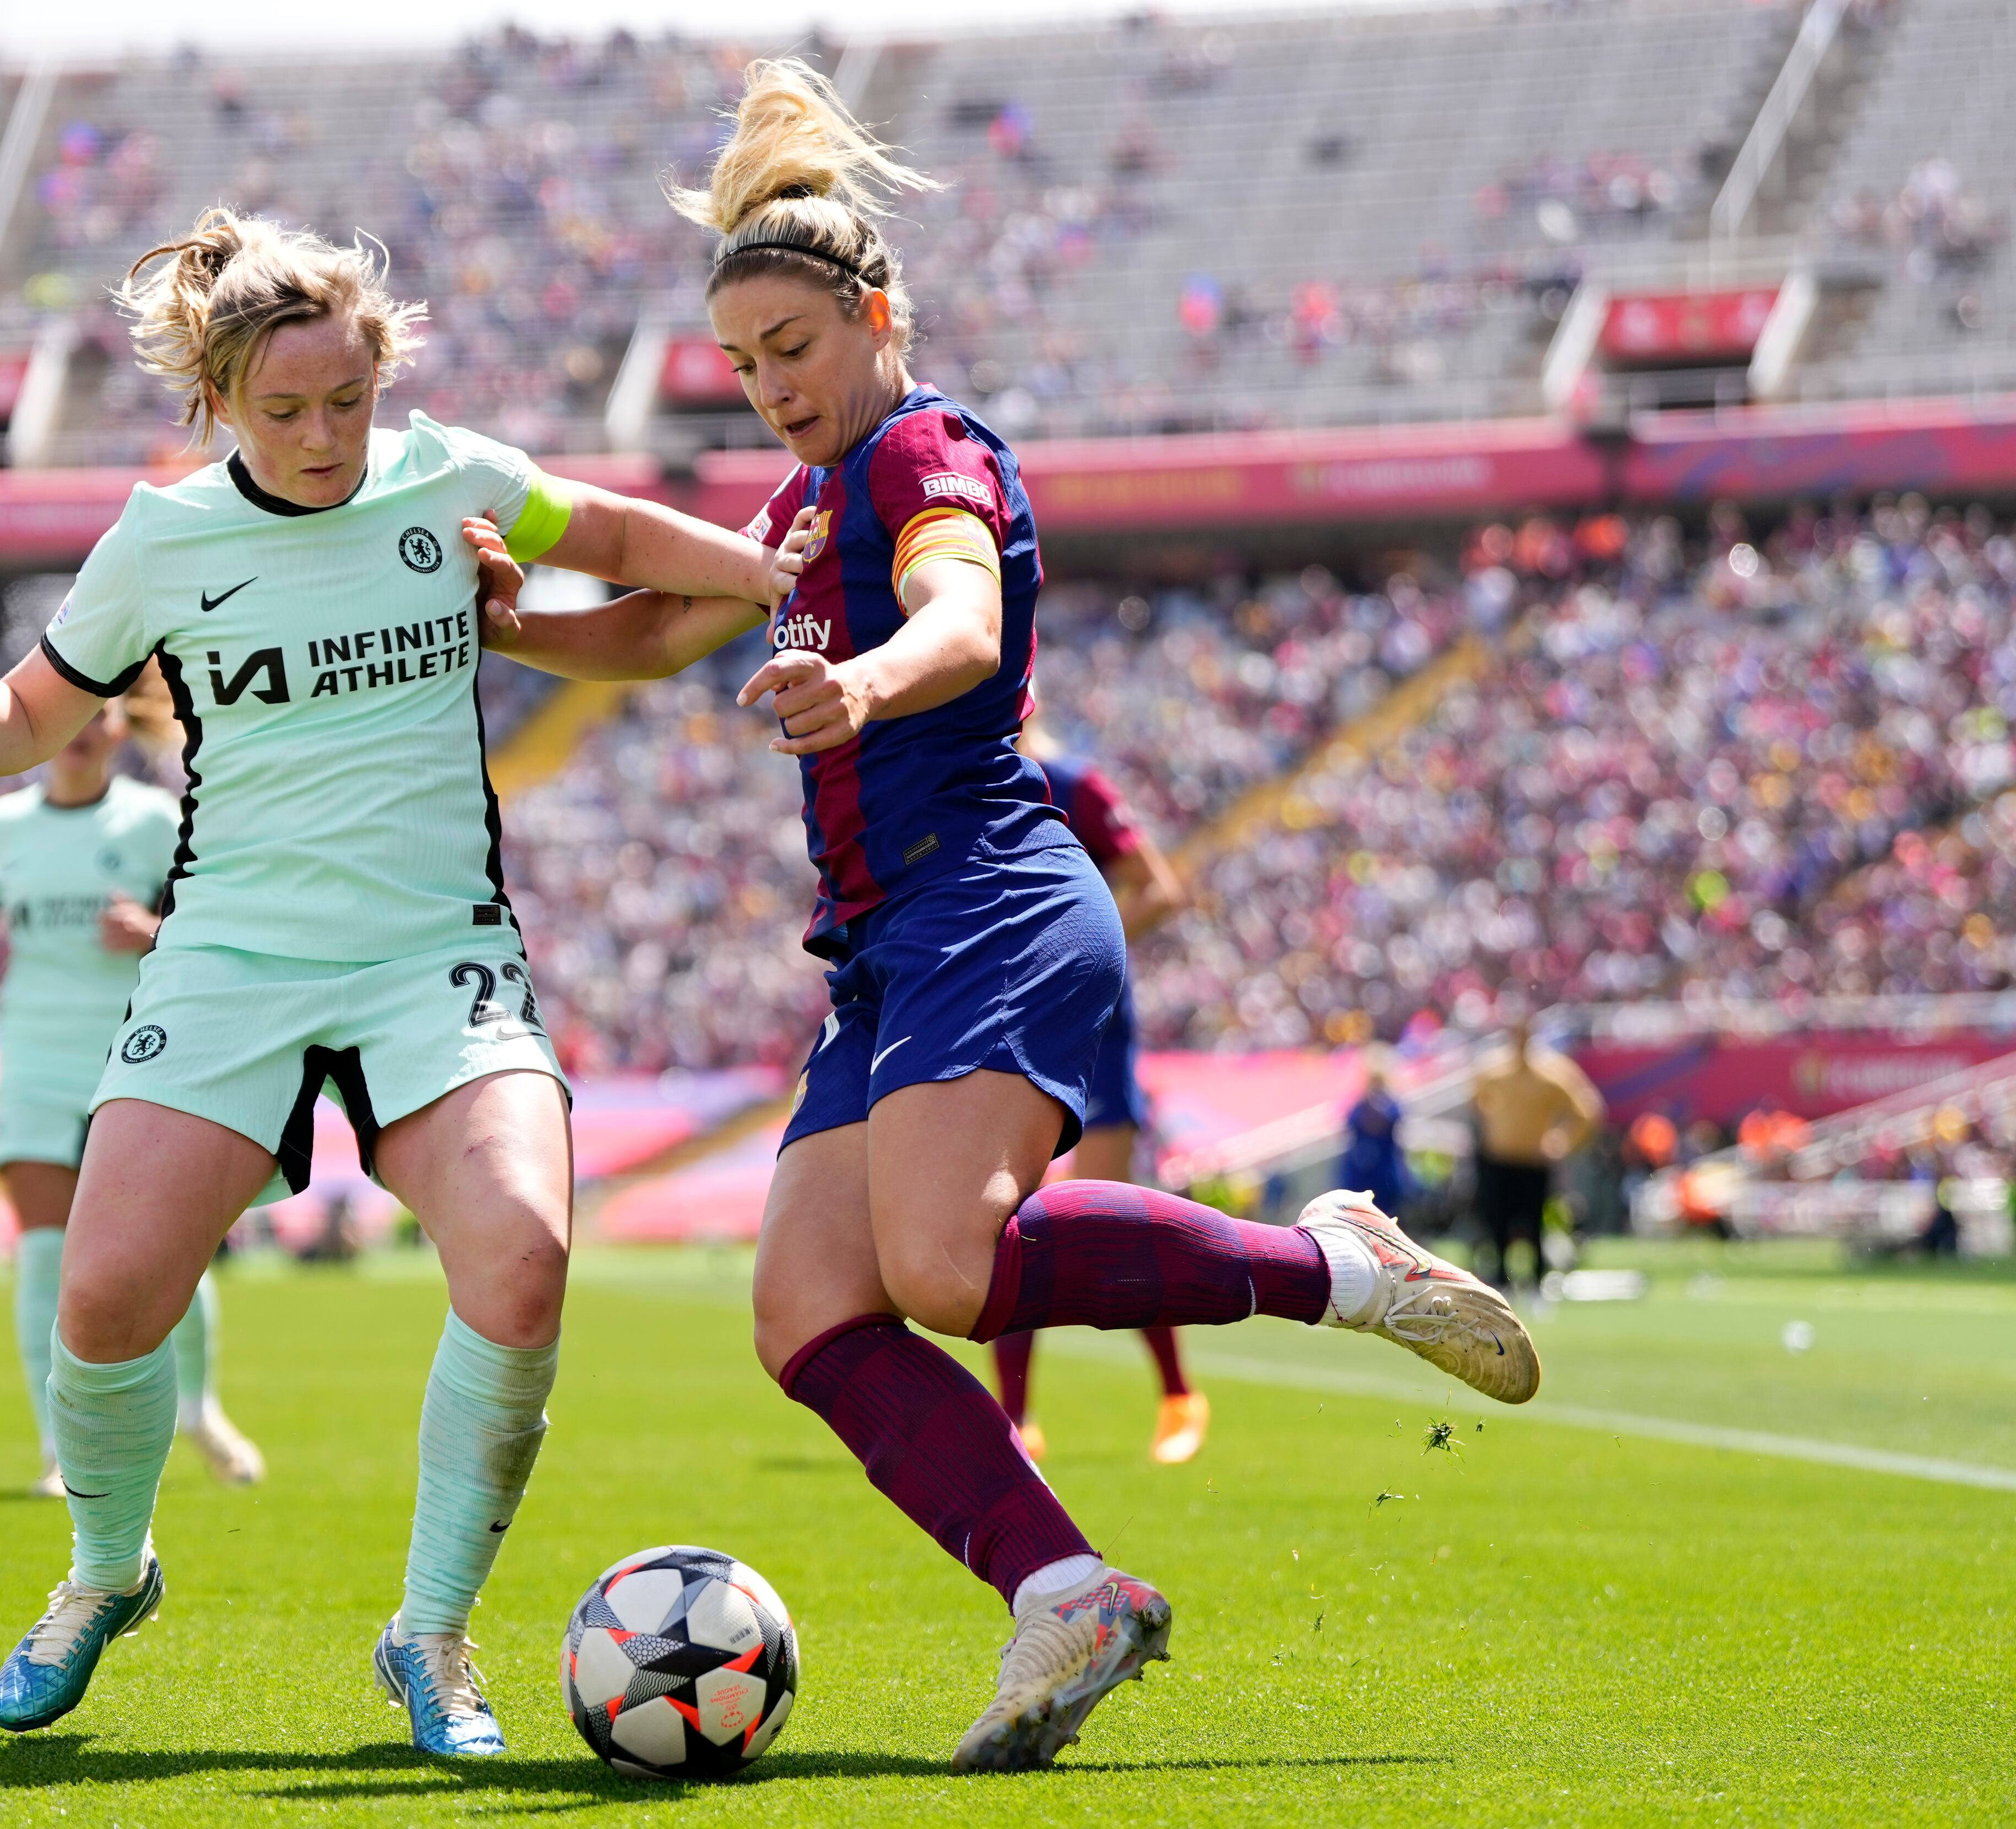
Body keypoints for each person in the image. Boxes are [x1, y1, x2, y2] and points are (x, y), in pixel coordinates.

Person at [466, 57, 1540, 1773]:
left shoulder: (924, 448)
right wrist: (508, 627)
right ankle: (1064, 1592)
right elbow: (658, 631)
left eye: (791, 352)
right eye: (741, 368)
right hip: (881, 949)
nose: (766, 391)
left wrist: (867, 687)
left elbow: (957, 617)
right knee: (808, 1314)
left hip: (990, 897)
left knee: (943, 1268)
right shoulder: (801, 500)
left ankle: (1335, 1265)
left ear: (878, 315)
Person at [0, 206, 795, 1754]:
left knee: (528, 1256)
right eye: (282, 411)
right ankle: (105, 1570)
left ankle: (430, 1634)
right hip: (232, 952)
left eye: (345, 399)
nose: (321, 435)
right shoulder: (159, 537)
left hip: (436, 954)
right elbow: (19, 721)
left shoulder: (447, 477)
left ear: (380, 373)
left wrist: (765, 569)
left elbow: (613, 540)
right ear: (215, 399)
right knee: (103, 1293)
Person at [0, 695, 264, 1500]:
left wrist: (154, 928)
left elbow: (220, 924)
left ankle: (199, 1408)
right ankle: (61, 1449)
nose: (85, 728)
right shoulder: (0, 827)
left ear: (122, 729)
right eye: (72, 713)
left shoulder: (156, 819)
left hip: (139, 1055)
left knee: (167, 1250)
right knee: (46, 1254)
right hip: (36, 1056)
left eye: (101, 713)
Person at [989, 730, 1207, 1466]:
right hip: (1007, 1014)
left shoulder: (1073, 783)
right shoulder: (953, 770)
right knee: (1004, 1217)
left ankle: (1178, 1392)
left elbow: (1162, 887)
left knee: (1109, 1215)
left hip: (1093, 1015)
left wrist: (1081, 942)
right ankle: (1017, 1420)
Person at [1469, 1005, 1604, 1291]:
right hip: (1498, 1160)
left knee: (1534, 1223)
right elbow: (1478, 1102)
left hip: (1533, 1161)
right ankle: (1500, 1279)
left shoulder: (1551, 1070)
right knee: (1496, 1223)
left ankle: (1536, 1281)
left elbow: (1587, 1110)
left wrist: (1563, 1141)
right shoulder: (1493, 1068)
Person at [1337, 1060, 1415, 1218]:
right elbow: (1349, 1124)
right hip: (1361, 1170)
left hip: (1386, 1169)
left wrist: (1379, 1109)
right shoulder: (1360, 1105)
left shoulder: (1391, 1104)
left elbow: (1396, 1119)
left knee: (1389, 1214)